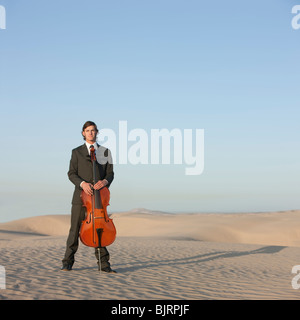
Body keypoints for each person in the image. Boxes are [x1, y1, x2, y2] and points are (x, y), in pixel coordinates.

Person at [61, 121, 116, 273]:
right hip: (81, 197)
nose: (91, 133)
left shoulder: (105, 152)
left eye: (93, 130)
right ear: (83, 133)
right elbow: (71, 173)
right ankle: (67, 263)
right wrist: (83, 184)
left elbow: (110, 174)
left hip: (99, 198)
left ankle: (104, 265)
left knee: (99, 228)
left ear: (97, 133)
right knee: (74, 231)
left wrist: (104, 181)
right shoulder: (76, 152)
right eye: (88, 130)